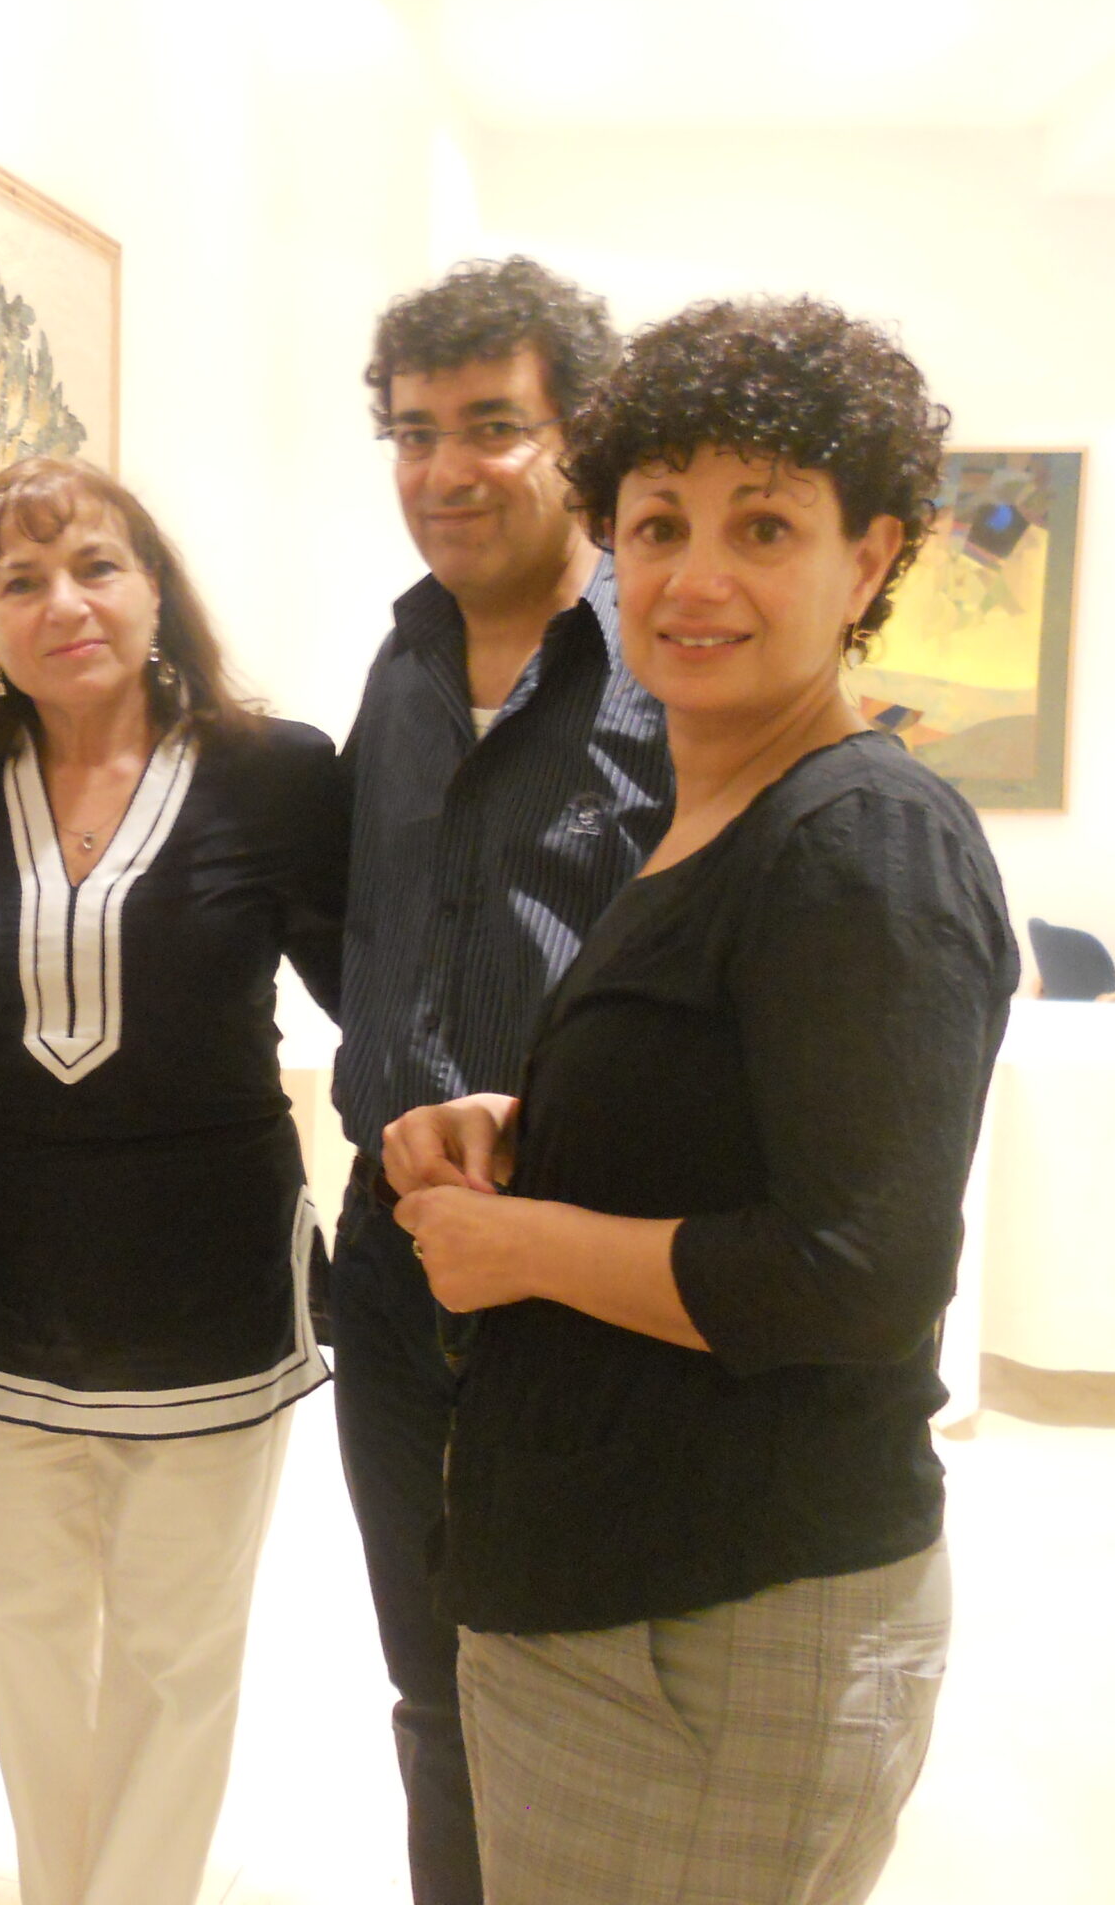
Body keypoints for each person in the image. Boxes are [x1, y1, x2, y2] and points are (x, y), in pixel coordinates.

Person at [384, 296, 1020, 1904]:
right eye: (659, 524)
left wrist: (522, 1247)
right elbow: (726, 1121)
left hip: (723, 1630)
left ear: (870, 559)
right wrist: (526, 1129)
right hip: (621, 1613)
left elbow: (861, 1273)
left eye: (765, 527)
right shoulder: (713, 816)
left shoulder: (865, 842)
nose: (696, 576)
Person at [0, 455, 344, 1905]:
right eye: (21, 581)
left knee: (176, 1651)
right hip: (1, 1287)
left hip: (207, 1286)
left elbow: (383, 985)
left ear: (157, 590)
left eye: (97, 565)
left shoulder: (277, 774)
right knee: (26, 1631)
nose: (66, 604)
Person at [332, 254, 673, 1905]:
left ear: (578, 437)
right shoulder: (400, 668)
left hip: (585, 1272)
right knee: (430, 1693)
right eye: (413, 433)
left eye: (490, 426)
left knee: (586, 1697)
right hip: (394, 1260)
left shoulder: (663, 667)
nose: (444, 471)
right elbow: (361, 925)